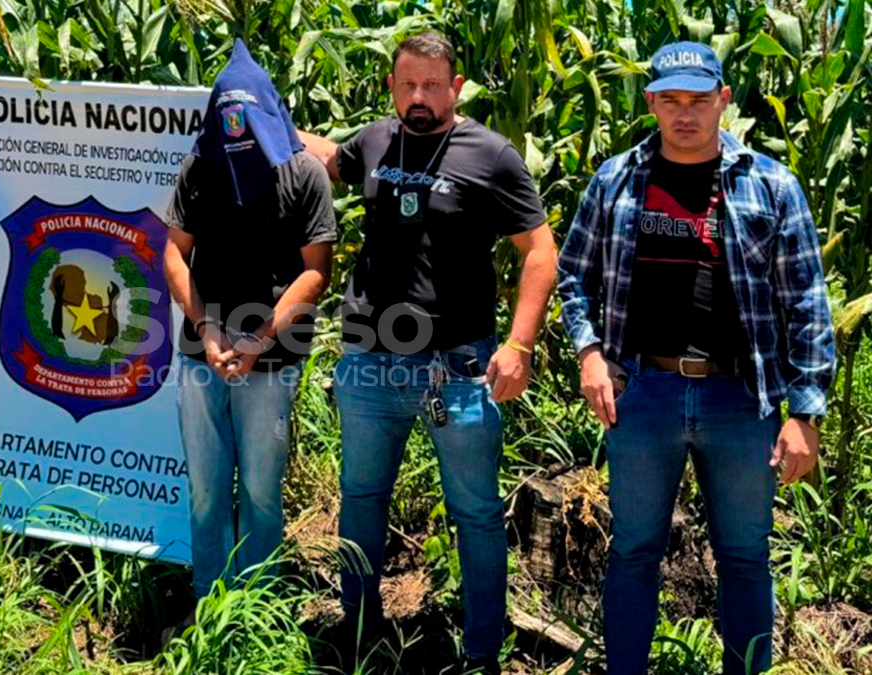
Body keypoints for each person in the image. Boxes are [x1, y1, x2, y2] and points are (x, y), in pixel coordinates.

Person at [557, 42, 835, 675]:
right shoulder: (616, 180)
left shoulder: (770, 183)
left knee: (743, 556)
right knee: (633, 551)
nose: (686, 114)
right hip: (644, 391)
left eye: (699, 100)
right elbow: (574, 276)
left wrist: (805, 412)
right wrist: (590, 352)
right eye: (672, 101)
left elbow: (808, 304)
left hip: (739, 398)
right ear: (651, 102)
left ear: (723, 101)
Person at [299, 31, 556, 673]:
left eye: (433, 84)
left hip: (456, 367)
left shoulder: (491, 155)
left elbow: (541, 255)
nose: (420, 96)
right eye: (408, 83)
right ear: (392, 86)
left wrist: (520, 343)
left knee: (474, 512)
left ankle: (482, 653)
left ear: (455, 87)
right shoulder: (378, 139)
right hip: (368, 359)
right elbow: (329, 159)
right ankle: (358, 635)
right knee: (360, 498)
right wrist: (252, 114)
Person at [164, 38, 336, 611]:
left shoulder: (306, 175)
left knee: (262, 493)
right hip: (202, 356)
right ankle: (210, 607)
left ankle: (256, 610)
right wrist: (206, 328)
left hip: (271, 362)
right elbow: (172, 251)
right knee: (207, 492)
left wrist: (260, 339)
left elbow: (316, 273)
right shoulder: (199, 167)